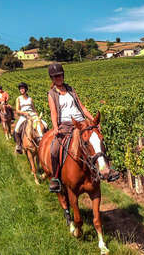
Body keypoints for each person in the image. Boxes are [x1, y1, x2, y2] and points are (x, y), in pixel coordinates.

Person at [47, 62, 119, 192]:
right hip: (65, 125)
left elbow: (82, 107)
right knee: (54, 149)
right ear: (52, 78)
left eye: (60, 75)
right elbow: (53, 112)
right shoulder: (51, 94)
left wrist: (92, 120)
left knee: (97, 140)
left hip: (81, 123)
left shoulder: (70, 90)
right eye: (56, 76)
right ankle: (55, 178)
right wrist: (55, 127)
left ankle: (107, 169)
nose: (59, 78)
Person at [14, 82, 47, 154]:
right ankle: (19, 145)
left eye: (23, 88)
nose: (21, 90)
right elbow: (17, 110)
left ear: (26, 89)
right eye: (20, 89)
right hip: (23, 116)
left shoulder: (30, 99)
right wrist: (24, 113)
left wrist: (37, 116)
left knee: (45, 124)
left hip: (32, 115)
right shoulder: (18, 99)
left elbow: (34, 109)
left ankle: (46, 141)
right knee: (16, 129)